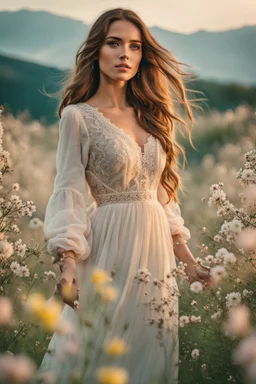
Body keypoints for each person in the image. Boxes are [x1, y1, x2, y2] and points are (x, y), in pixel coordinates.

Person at [38, 7, 213, 384]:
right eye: (114, 43)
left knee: (151, 353)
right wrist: (68, 263)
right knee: (99, 349)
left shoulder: (153, 115)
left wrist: (189, 261)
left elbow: (162, 196)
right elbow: (67, 189)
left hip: (156, 255)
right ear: (96, 51)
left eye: (134, 46)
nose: (125, 54)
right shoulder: (78, 117)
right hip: (108, 247)